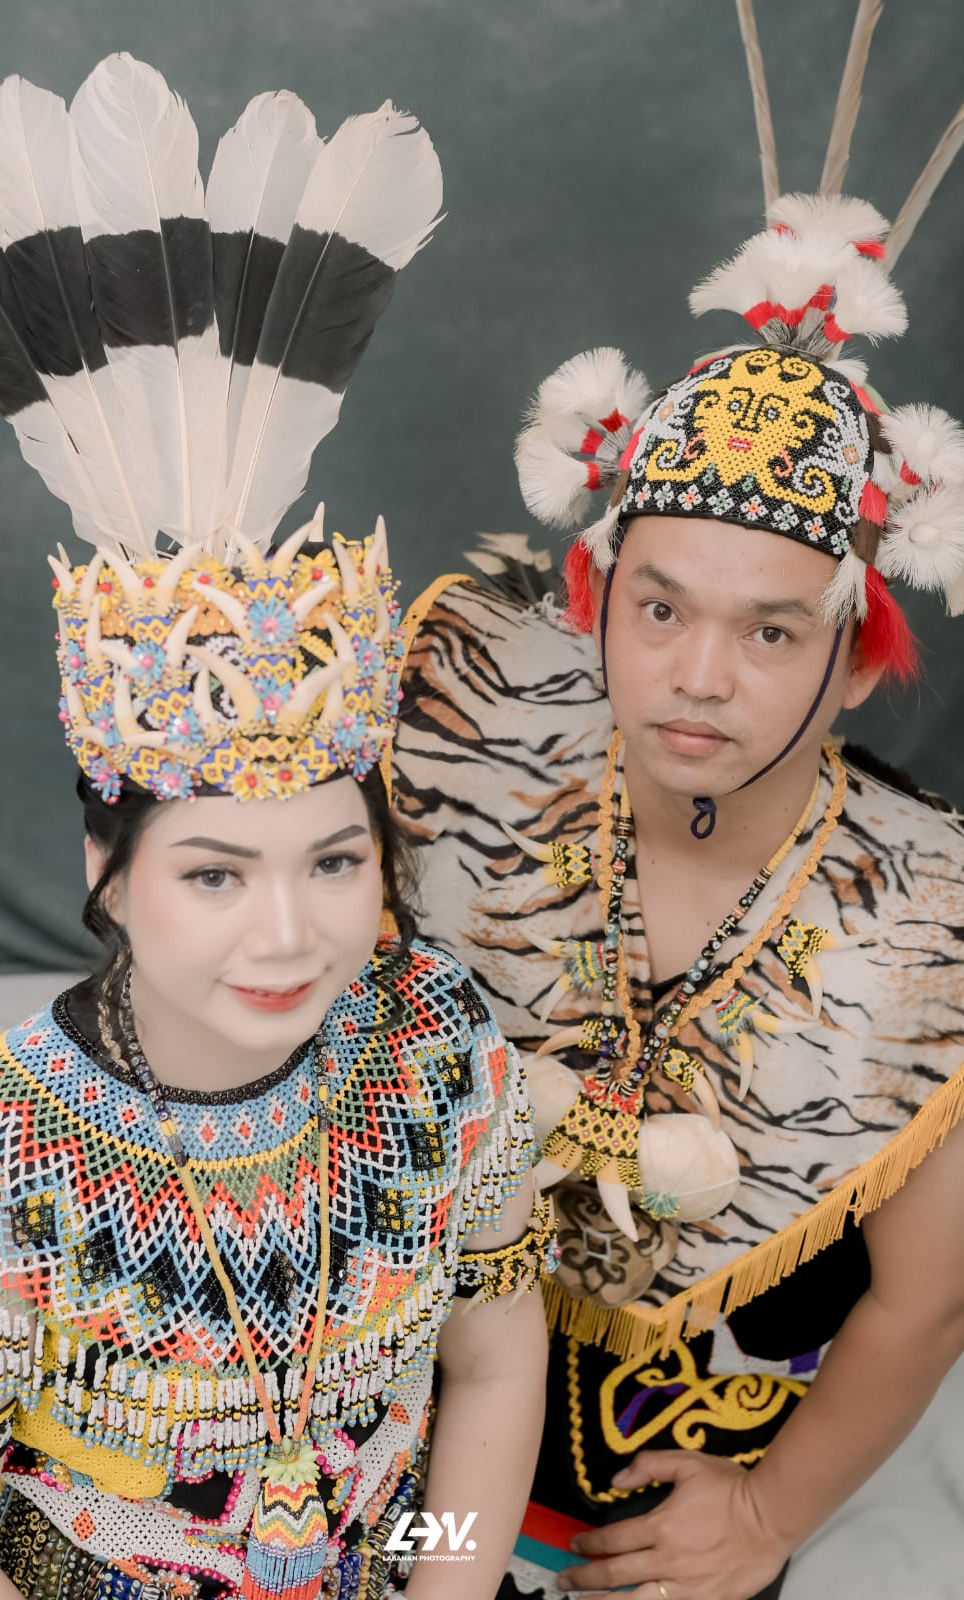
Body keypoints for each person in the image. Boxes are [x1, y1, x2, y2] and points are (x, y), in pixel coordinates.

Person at [0, 55, 551, 1600]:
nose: (290, 932)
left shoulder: (440, 1046)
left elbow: (493, 1369)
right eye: (212, 871)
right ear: (107, 876)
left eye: (334, 861)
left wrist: (445, 1583)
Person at [390, 14, 964, 1600]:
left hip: (665, 1511)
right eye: (659, 610)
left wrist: (768, 1522)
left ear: (857, 659)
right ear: (596, 596)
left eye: (771, 632)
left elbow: (928, 1297)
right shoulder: (470, 742)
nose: (698, 676)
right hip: (403, 1452)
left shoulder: (926, 924)